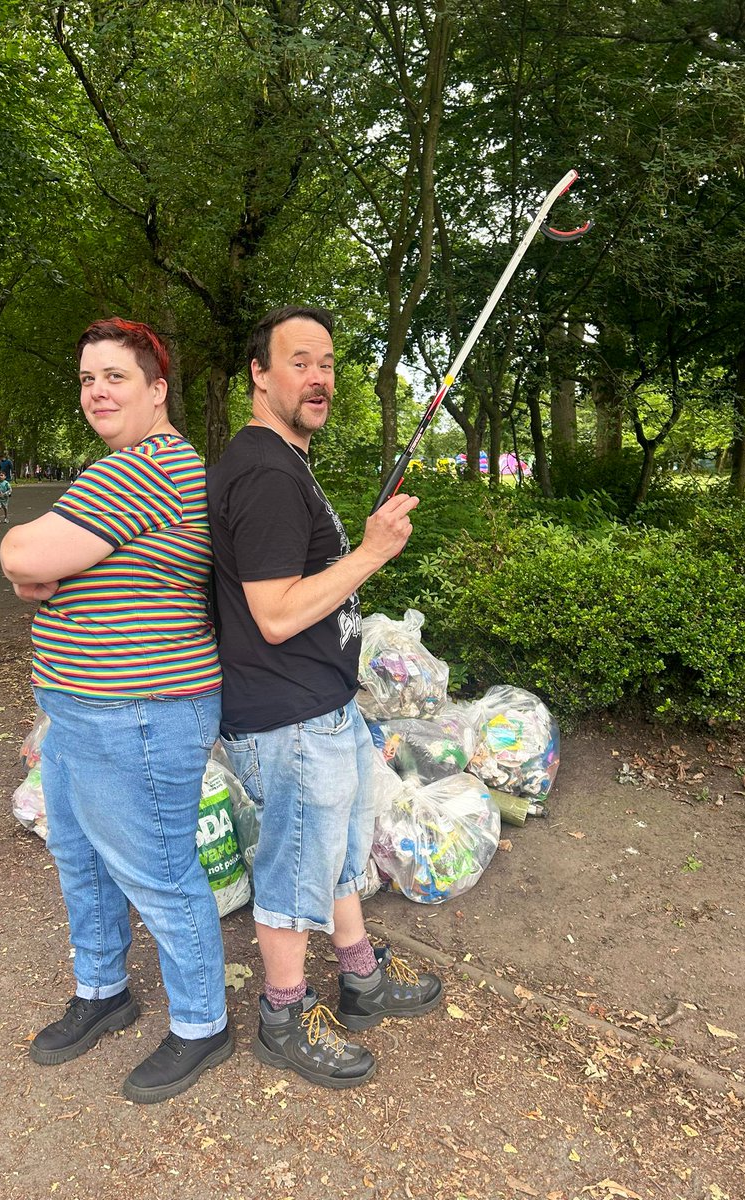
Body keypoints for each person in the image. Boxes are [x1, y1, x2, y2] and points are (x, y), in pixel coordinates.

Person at [207, 305, 442, 1090]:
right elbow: (274, 614)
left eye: (329, 364)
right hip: (288, 717)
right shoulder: (267, 470)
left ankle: (361, 978)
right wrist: (372, 554)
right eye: (300, 361)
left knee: (338, 860)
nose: (319, 378)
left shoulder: (281, 459)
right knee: (295, 869)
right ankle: (282, 1014)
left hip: (321, 707)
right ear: (259, 374)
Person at [0, 317, 231, 1104]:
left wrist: (35, 568)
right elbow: (52, 566)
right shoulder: (131, 469)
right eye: (88, 379)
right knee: (81, 860)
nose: (97, 390)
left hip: (137, 712)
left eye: (116, 377)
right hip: (82, 711)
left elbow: (23, 555)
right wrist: (51, 571)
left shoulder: (145, 468)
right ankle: (104, 991)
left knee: (160, 873)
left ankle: (203, 1024)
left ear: (158, 390)